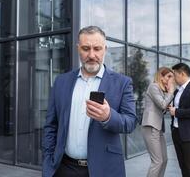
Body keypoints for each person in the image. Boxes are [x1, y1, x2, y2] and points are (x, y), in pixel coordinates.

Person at [42, 26, 137, 177]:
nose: (92, 55)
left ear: (105, 49)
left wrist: (108, 116)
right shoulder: (61, 81)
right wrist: (48, 161)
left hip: (104, 169)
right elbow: (51, 125)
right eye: (86, 48)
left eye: (97, 48)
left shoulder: (122, 83)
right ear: (78, 48)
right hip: (63, 168)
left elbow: (131, 122)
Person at [141, 67, 175, 177]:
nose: (171, 79)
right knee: (157, 161)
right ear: (161, 76)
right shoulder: (153, 86)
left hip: (158, 127)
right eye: (168, 76)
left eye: (172, 77)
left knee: (164, 159)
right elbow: (162, 104)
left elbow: (163, 107)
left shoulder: (161, 89)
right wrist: (170, 92)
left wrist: (167, 95)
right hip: (151, 126)